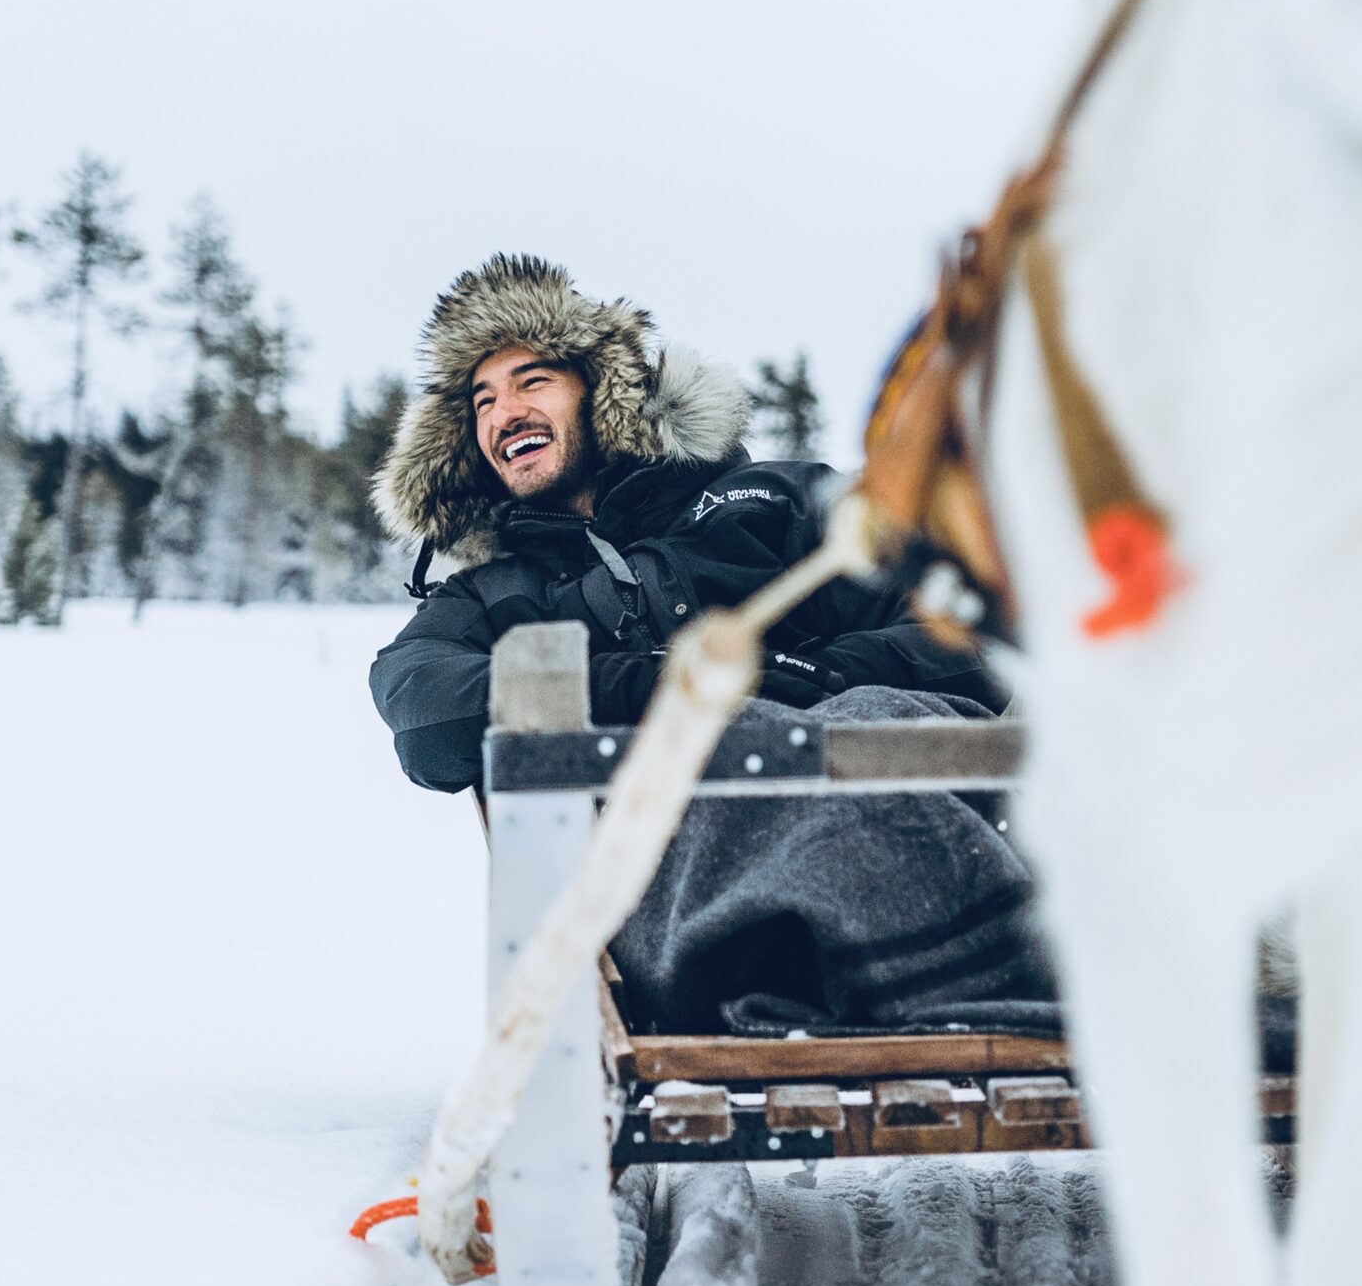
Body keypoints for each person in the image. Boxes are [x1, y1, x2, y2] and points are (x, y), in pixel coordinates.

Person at [369, 254, 1057, 1037]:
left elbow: (959, 620)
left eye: (532, 382)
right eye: (481, 401)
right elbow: (421, 705)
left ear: (606, 391)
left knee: (872, 715)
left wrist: (810, 675)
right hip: (684, 902)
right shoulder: (497, 594)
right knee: (747, 739)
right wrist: (634, 687)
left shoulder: (778, 504)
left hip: (900, 782)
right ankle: (1004, 979)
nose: (503, 413)